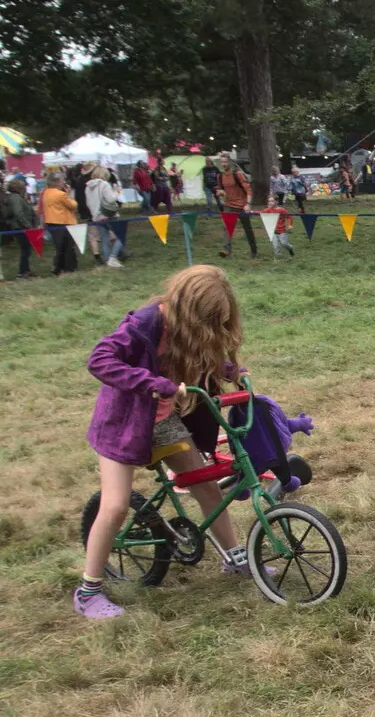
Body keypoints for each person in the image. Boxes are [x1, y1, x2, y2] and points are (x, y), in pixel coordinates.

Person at [76, 266, 259, 619]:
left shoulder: (187, 329)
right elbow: (100, 360)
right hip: (124, 424)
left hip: (164, 423)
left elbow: (197, 352)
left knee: (207, 489)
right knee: (114, 506)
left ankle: (234, 559)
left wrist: (229, 370)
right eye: (207, 319)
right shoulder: (146, 322)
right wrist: (154, 383)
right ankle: (88, 592)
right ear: (189, 307)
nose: (210, 327)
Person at [216, 154, 258, 259]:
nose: (223, 164)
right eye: (222, 162)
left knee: (247, 229)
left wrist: (248, 204)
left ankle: (254, 251)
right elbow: (221, 190)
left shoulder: (238, 174)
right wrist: (220, 193)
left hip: (242, 205)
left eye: (225, 162)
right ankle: (226, 251)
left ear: (230, 162)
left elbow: (248, 190)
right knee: (227, 228)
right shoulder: (220, 176)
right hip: (229, 205)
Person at [40, 171, 79, 275]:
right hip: (64, 222)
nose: (64, 182)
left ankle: (57, 268)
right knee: (68, 247)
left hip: (51, 222)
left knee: (59, 247)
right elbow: (73, 205)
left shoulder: (46, 192)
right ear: (57, 182)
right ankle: (68, 268)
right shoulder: (61, 194)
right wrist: (68, 194)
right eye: (62, 180)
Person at [85, 166, 124, 268]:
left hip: (97, 216)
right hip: (109, 214)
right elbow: (111, 199)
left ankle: (108, 260)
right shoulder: (104, 184)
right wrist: (117, 192)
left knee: (104, 239)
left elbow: (88, 203)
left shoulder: (88, 187)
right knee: (120, 236)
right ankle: (113, 257)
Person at [3, 177, 39, 280]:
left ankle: (26, 270)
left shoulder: (18, 197)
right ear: (17, 187)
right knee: (25, 250)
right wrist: (28, 225)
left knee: (27, 250)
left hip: (21, 227)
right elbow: (18, 213)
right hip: (20, 228)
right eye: (23, 186)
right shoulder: (15, 198)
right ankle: (22, 273)